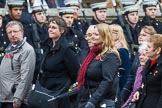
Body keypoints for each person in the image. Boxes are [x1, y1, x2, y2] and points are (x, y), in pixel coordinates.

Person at [39, 16, 80, 108]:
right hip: (46, 90)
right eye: (49, 27)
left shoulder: (67, 49)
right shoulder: (48, 45)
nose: (50, 30)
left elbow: (75, 73)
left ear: (62, 31)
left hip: (60, 92)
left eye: (54, 28)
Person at [77, 23, 121, 108]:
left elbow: (107, 80)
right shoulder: (93, 53)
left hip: (100, 101)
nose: (92, 37)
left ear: (105, 36)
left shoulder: (110, 55)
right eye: (92, 34)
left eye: (96, 34)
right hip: (87, 98)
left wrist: (92, 102)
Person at [0, 21, 36, 108]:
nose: (12, 34)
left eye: (15, 31)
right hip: (5, 97)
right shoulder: (9, 49)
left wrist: (18, 98)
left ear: (22, 32)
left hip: (15, 99)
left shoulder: (27, 50)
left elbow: (26, 76)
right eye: (9, 32)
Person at [121, 25, 156, 102]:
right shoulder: (137, 54)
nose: (140, 37)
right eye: (139, 35)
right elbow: (132, 76)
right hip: (134, 93)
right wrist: (123, 95)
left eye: (144, 35)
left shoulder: (153, 55)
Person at [132, 34, 162, 108]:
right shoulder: (149, 62)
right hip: (143, 102)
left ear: (158, 50)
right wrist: (139, 91)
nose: (145, 49)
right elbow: (146, 83)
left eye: (149, 47)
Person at [122, 42, 149, 107]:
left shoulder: (152, 71)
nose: (141, 57)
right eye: (140, 55)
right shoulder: (139, 69)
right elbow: (134, 91)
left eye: (144, 55)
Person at [109, 24, 131, 91]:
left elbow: (125, 72)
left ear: (118, 35)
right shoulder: (109, 49)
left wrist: (123, 90)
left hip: (119, 86)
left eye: (112, 32)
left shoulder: (122, 50)